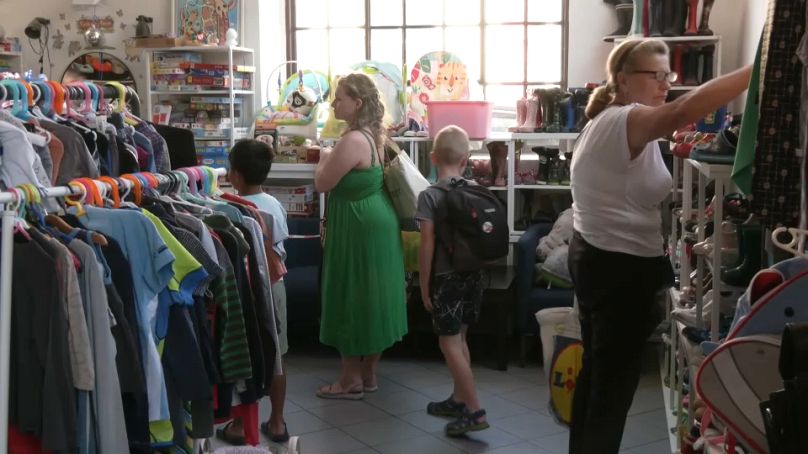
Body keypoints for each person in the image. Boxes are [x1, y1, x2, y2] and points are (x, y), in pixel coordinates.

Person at [567, 38, 752, 453]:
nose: (667, 83)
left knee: (600, 380)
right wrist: (756, 70)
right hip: (618, 270)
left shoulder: (608, 122)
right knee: (611, 390)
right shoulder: (625, 120)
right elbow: (685, 110)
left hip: (600, 260)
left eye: (669, 74)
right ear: (622, 81)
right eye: (656, 75)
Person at [314, 72, 408, 399]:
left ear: (357, 103)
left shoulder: (352, 140)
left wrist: (324, 157)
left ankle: (349, 380)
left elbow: (322, 184)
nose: (333, 103)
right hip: (378, 221)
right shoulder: (374, 135)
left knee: (350, 294)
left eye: (339, 98)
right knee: (374, 297)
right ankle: (367, 375)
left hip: (357, 225)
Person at [415, 125, 489, 437]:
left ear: (432, 157)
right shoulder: (476, 189)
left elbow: (427, 243)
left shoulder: (430, 195)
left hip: (446, 277)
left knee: (448, 344)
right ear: (466, 158)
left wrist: (423, 282)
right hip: (475, 274)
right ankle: (459, 399)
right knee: (460, 338)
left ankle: (474, 409)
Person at [225, 139, 291, 443]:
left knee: (246, 356)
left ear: (236, 175)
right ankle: (277, 422)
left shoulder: (229, 208)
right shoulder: (274, 206)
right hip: (273, 290)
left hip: (243, 291)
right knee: (276, 356)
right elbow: (279, 246)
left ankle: (239, 425)